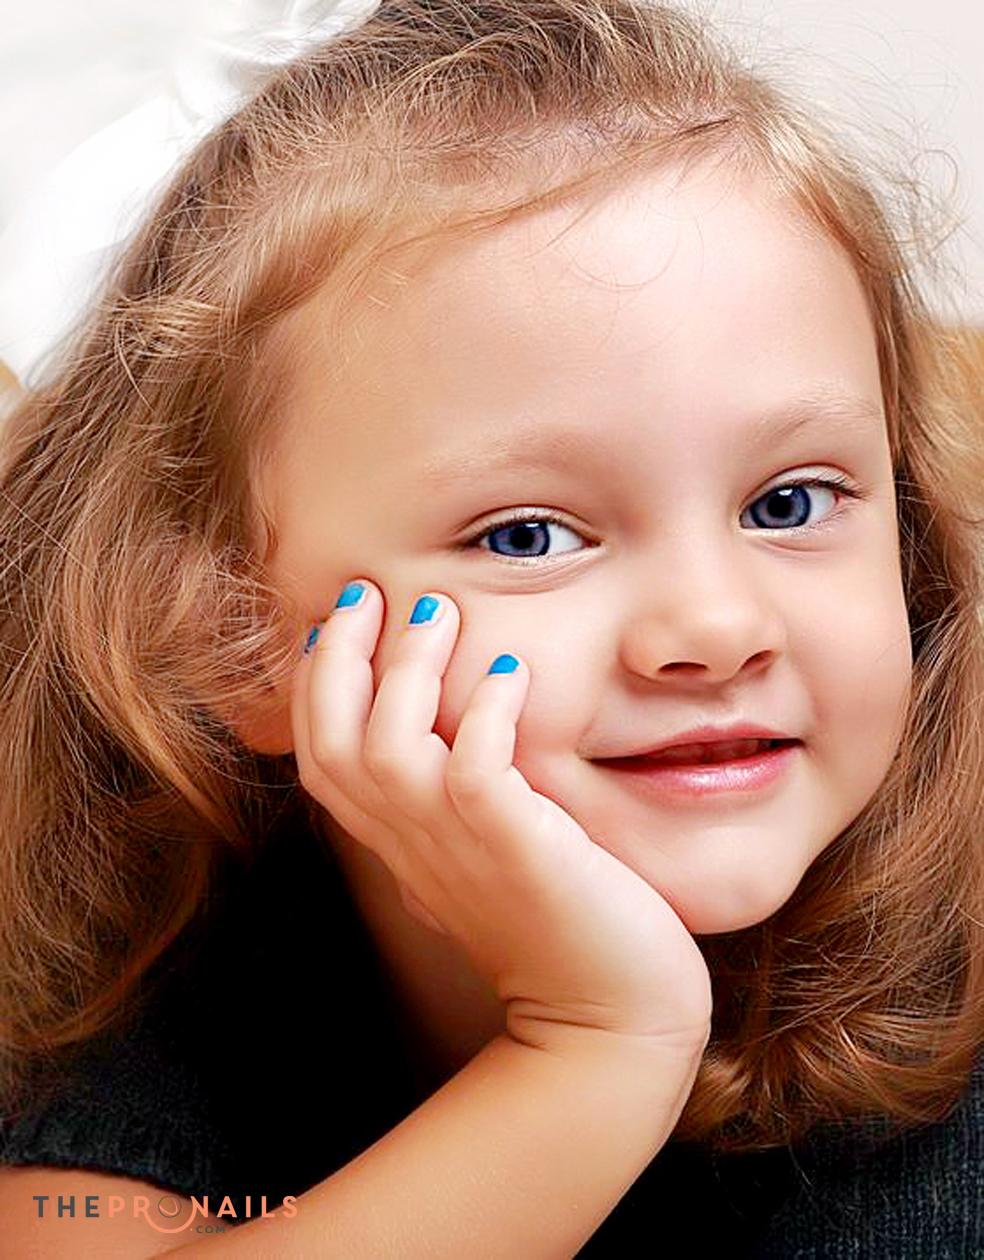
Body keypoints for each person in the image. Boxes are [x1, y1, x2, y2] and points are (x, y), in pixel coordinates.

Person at [1, 0, 983, 1254]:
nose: (717, 625)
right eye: (527, 536)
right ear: (228, 635)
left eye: (788, 503)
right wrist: (593, 1046)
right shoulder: (171, 971)